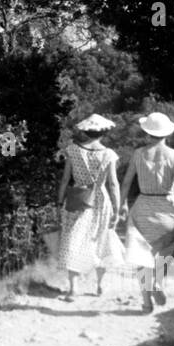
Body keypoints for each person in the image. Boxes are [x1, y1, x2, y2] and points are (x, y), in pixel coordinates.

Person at [120, 112, 174, 313]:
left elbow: (126, 182)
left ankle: (146, 302)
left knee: (140, 254)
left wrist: (122, 205)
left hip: (143, 207)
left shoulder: (138, 154)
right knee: (166, 252)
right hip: (168, 207)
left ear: (147, 132)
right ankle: (157, 281)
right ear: (166, 133)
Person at [55, 114, 122, 301]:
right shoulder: (109, 154)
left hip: (78, 198)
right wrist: (117, 209)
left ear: (85, 131)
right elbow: (114, 184)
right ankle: (100, 285)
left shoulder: (73, 150)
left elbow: (65, 179)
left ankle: (73, 288)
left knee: (73, 240)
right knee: (100, 241)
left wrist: (59, 201)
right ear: (104, 133)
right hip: (101, 200)